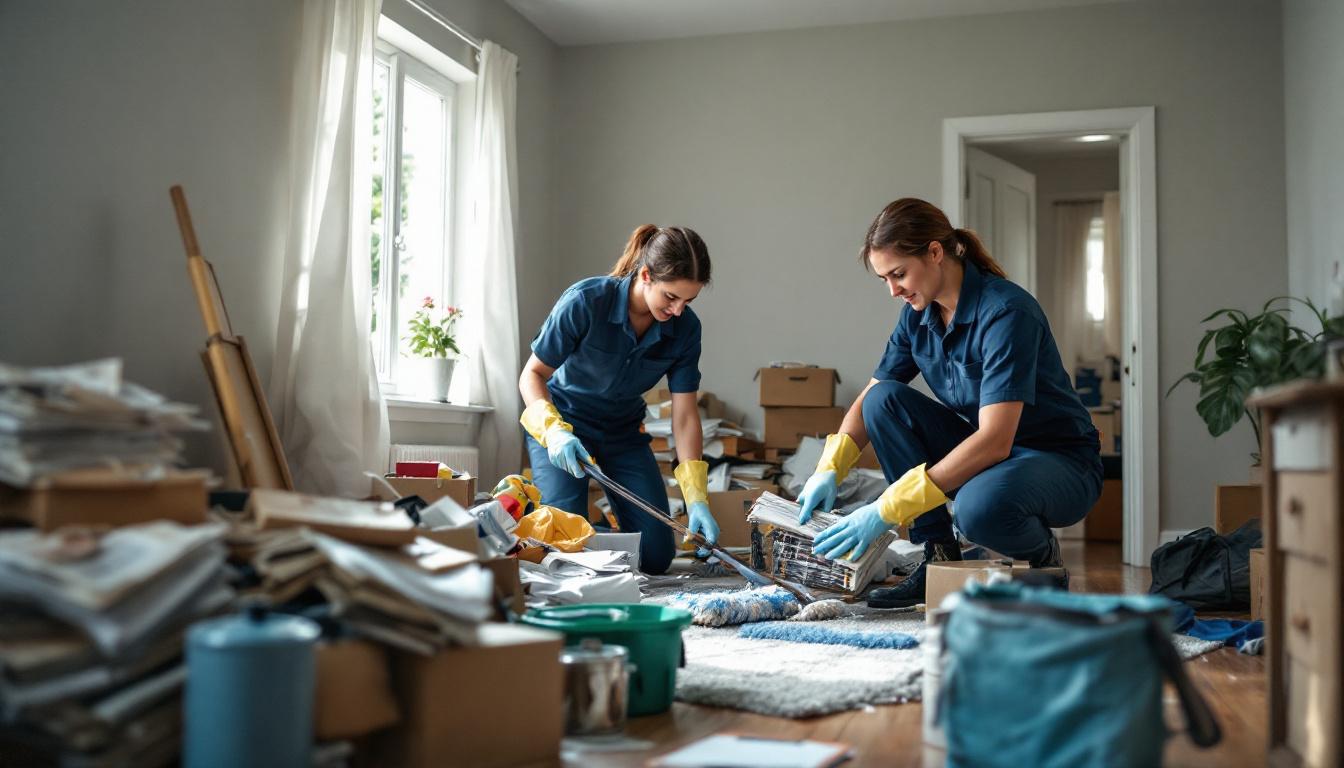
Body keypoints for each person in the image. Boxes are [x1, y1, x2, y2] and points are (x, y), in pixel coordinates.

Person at [799, 198, 1103, 607]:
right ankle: (937, 558)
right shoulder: (917, 315)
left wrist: (886, 509)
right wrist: (829, 468)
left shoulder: (1007, 313)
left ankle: (1041, 558)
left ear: (935, 253)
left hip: (1061, 463)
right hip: (997, 455)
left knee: (976, 511)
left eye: (899, 274)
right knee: (883, 402)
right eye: (884, 279)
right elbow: (873, 396)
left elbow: (995, 439)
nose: (893, 290)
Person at [518, 225, 717, 575]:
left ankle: (601, 543)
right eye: (671, 297)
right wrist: (554, 432)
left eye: (689, 301)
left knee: (656, 557)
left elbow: (684, 415)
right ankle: (538, 526)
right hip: (564, 425)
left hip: (623, 432)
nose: (679, 310)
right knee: (564, 545)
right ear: (645, 275)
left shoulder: (686, 329)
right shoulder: (585, 301)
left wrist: (697, 497)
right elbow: (531, 375)